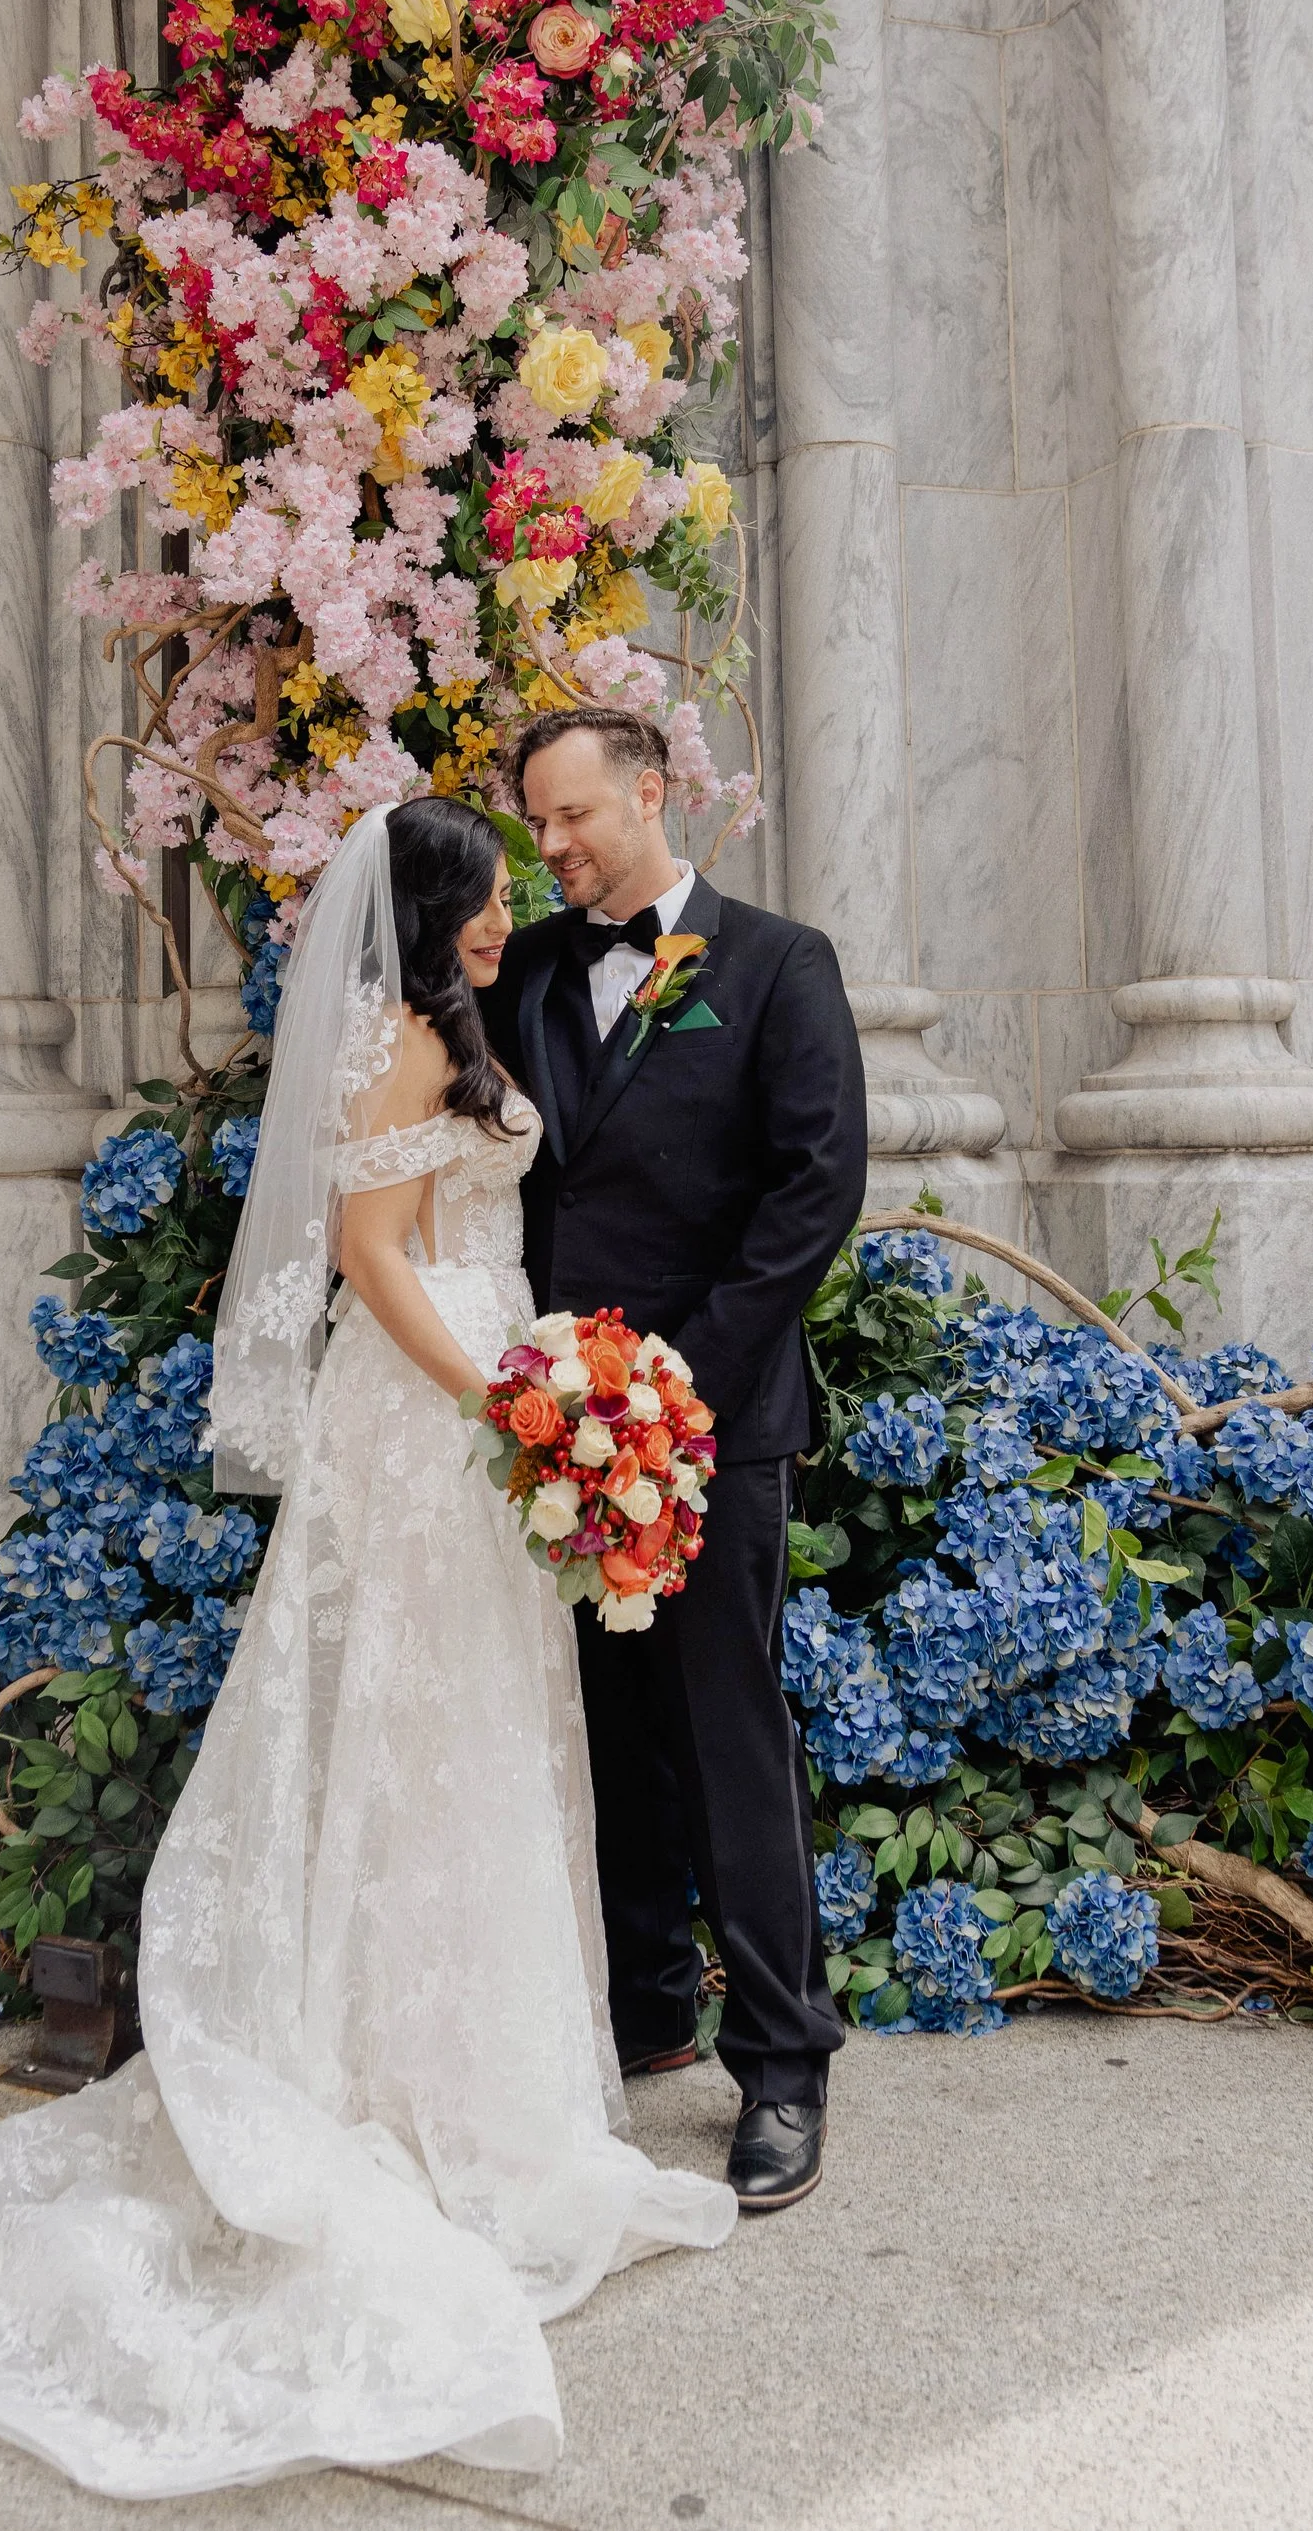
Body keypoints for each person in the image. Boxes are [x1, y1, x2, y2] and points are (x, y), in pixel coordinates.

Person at [0, 795, 734, 2498]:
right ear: (426, 916)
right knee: (416, 1727)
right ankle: (384, 2075)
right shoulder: (399, 1042)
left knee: (486, 1731)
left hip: (496, 1397)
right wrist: (508, 1400)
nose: (507, 920)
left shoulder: (452, 1025)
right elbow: (369, 1254)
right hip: (432, 1413)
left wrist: (553, 1383)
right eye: (486, 901)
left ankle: (481, 2070)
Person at [482, 708, 868, 2214]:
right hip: (549, 1431)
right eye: (541, 825)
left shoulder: (780, 965)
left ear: (655, 793)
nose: (558, 846)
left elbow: (814, 1186)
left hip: (709, 1425)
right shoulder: (520, 971)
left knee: (724, 1732)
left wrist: (672, 1381)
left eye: (577, 816)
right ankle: (647, 2002)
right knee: (601, 1729)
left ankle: (784, 2059)